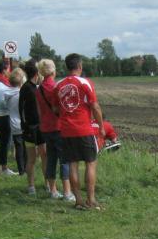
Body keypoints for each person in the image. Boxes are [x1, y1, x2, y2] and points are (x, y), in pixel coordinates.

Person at [53, 53, 104, 209]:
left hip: (66, 131)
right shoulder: (85, 82)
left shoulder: (58, 85)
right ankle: (91, 199)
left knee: (72, 164)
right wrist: (101, 126)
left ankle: (79, 201)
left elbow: (55, 109)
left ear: (67, 67)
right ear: (80, 66)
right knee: (91, 163)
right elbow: (95, 106)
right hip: (84, 129)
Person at [36, 59, 72, 200]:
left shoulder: (39, 89)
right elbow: (61, 108)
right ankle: (67, 192)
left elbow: (40, 111)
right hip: (58, 127)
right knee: (64, 160)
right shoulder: (56, 87)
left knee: (51, 159)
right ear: (53, 71)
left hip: (45, 128)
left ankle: (53, 191)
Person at [19, 59, 47, 196]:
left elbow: (21, 109)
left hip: (27, 128)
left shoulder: (23, 88)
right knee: (44, 156)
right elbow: (39, 111)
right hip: (38, 128)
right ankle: (48, 185)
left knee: (31, 159)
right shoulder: (35, 90)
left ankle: (31, 187)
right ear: (37, 74)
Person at [5, 68, 27, 178]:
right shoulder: (21, 94)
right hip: (23, 123)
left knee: (18, 148)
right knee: (26, 148)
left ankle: (21, 170)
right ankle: (26, 169)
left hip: (13, 124)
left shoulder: (7, 94)